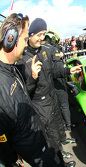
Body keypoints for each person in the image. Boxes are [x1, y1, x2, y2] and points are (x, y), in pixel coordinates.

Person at [0, 13, 66, 166]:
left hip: (41, 142)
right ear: (10, 40)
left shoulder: (12, 69)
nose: (25, 44)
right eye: (24, 39)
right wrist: (12, 161)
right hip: (37, 156)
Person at [17, 18, 81, 164]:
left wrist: (68, 70)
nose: (42, 38)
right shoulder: (22, 58)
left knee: (58, 134)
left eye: (44, 34)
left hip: (52, 100)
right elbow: (23, 92)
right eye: (39, 34)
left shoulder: (45, 50)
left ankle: (61, 158)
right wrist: (33, 77)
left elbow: (54, 70)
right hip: (40, 107)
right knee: (50, 140)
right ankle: (59, 162)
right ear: (30, 35)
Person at [44, 31, 74, 131]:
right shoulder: (53, 50)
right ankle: (68, 125)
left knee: (56, 106)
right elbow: (59, 69)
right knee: (64, 105)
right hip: (58, 81)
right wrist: (68, 71)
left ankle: (62, 125)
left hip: (48, 83)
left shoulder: (41, 49)